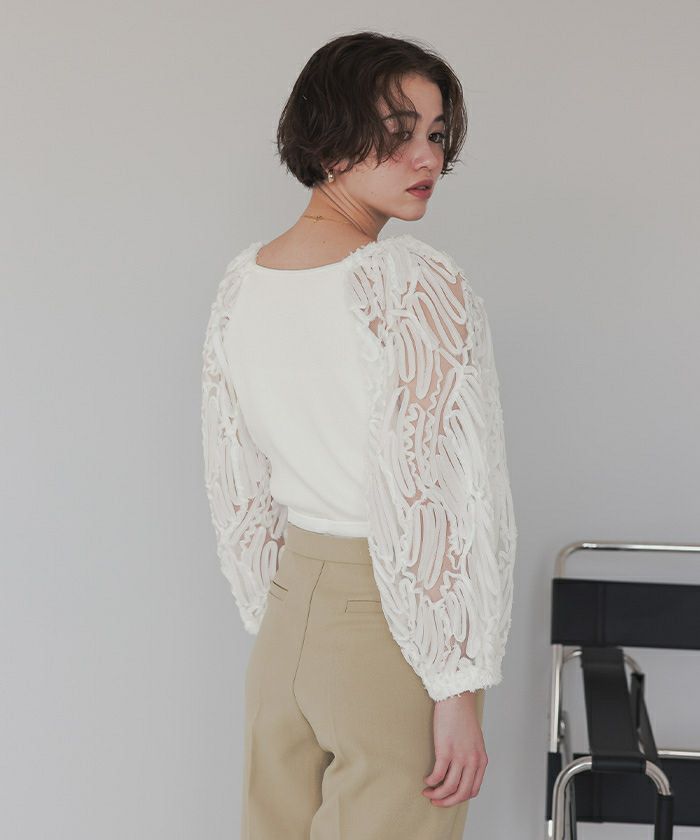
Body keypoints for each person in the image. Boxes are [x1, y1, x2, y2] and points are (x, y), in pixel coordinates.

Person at [201, 30, 517, 840]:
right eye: (397, 131)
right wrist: (458, 685)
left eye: (437, 134)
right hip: (389, 631)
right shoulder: (412, 282)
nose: (427, 158)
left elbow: (235, 476)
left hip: (285, 628)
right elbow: (445, 491)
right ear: (327, 135)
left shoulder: (245, 283)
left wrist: (281, 612)